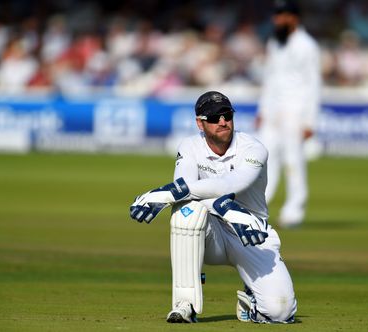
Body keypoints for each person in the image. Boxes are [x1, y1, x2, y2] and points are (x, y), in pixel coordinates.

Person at [129, 91, 297, 324]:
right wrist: (221, 207)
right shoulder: (189, 146)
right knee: (186, 214)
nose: (222, 121)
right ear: (200, 122)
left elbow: (232, 184)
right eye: (214, 116)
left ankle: (251, 298)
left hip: (251, 233)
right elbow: (186, 194)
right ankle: (184, 303)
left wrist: (167, 193)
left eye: (226, 114)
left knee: (280, 312)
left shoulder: (254, 148)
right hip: (210, 233)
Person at [256, 0, 321, 228]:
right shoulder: (275, 42)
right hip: (273, 108)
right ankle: (259, 204)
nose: (277, 20)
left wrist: (309, 120)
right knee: (263, 157)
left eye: (282, 15)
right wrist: (262, 109)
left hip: (296, 108)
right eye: (276, 16)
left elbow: (313, 84)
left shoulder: (307, 45)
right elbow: (269, 78)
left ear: (294, 18)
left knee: (293, 159)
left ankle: (294, 209)